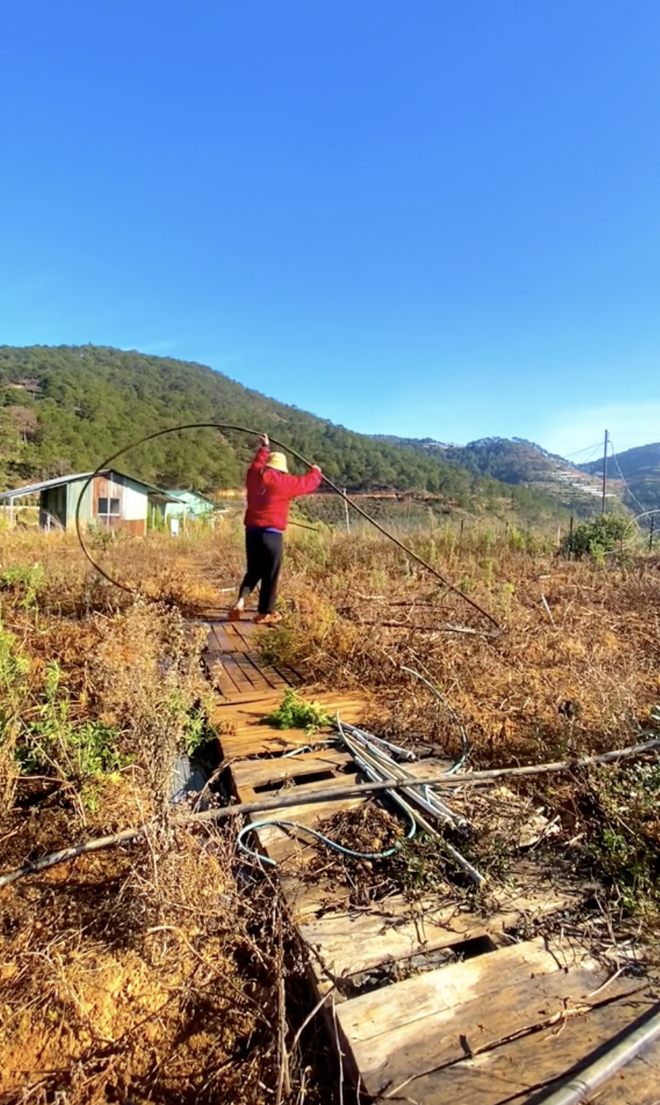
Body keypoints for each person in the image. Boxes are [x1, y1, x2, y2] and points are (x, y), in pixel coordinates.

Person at [229, 434, 322, 624]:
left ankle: (239, 602)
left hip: (252, 532)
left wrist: (264, 447)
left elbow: (256, 463)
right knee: (270, 573)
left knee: (253, 570)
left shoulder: (254, 476)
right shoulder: (286, 483)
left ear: (267, 465)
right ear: (282, 469)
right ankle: (265, 612)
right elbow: (308, 483)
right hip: (272, 535)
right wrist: (316, 471)